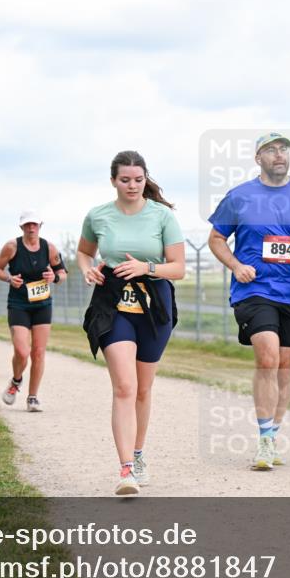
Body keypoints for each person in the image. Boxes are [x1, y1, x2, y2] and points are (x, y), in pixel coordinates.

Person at [207, 132, 290, 471]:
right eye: (271, 150)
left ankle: (273, 435)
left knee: (285, 366)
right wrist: (236, 265)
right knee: (268, 356)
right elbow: (216, 238)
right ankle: (263, 440)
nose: (279, 155)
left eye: (284, 150)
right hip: (255, 289)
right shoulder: (240, 197)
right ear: (258, 158)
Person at [79, 151, 185, 495]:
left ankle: (138, 455)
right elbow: (84, 252)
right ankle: (125, 469)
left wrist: (146, 268)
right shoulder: (98, 216)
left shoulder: (162, 216)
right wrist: (87, 268)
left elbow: (178, 269)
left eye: (138, 180)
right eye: (125, 180)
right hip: (113, 303)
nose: (132, 186)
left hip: (155, 304)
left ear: (145, 179)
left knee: (142, 388)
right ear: (113, 181)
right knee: (124, 386)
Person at [0, 211, 67, 412]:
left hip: (42, 304)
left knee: (39, 352)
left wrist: (55, 277)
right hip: (18, 304)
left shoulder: (49, 248)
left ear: (40, 225)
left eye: (34, 224)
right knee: (22, 351)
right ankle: (16, 381)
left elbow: (62, 273)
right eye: (27, 225)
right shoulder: (12, 246)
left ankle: (32, 397)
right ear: (21, 227)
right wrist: (9, 279)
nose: (31, 228)